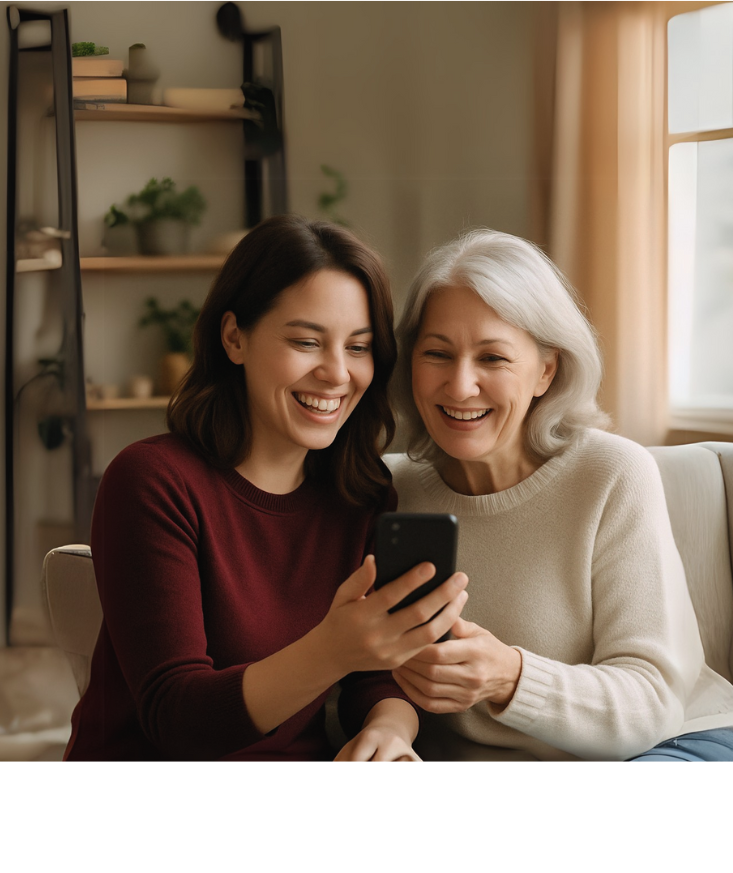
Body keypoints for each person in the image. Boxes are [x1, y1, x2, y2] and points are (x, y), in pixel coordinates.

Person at [65, 216, 467, 761]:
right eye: (306, 341)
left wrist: (390, 729)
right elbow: (176, 718)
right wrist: (331, 650)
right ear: (234, 337)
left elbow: (374, 679)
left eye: (358, 347)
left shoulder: (360, 495)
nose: (337, 373)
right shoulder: (152, 481)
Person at [386, 230, 733, 761]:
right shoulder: (389, 491)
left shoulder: (611, 474)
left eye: (492, 358)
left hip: (673, 740)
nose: (460, 385)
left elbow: (651, 702)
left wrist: (510, 677)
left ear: (546, 370)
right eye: (437, 353)